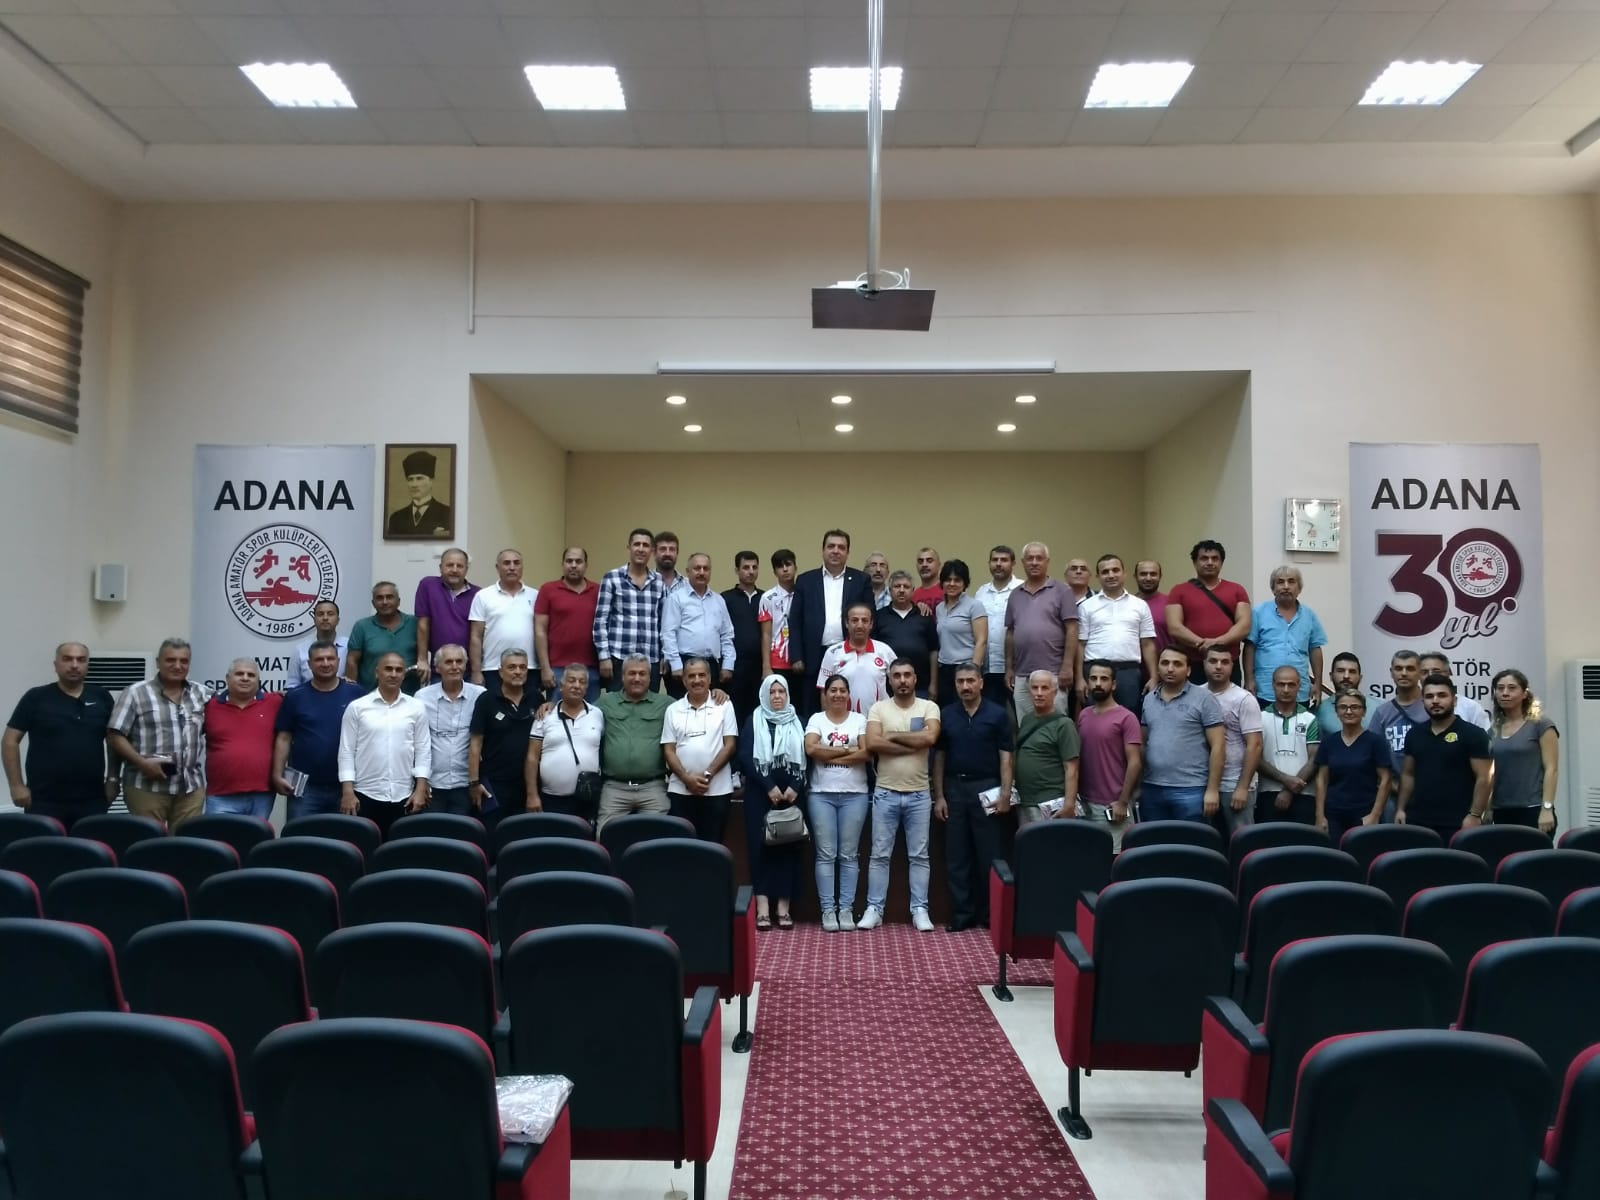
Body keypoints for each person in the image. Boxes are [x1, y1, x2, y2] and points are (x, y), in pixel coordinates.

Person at [862, 660, 942, 931]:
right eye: (896, 675)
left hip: (919, 794)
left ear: (915, 678)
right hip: (885, 792)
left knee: (919, 856)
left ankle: (920, 909)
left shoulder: (928, 707)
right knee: (879, 855)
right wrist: (912, 741)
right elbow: (873, 742)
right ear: (890, 680)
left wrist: (892, 736)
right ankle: (874, 909)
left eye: (907, 675)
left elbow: (930, 739)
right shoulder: (878, 708)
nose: (902, 680)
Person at [3, 642, 117, 829]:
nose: (74, 665)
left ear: (87, 665)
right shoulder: (36, 697)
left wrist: (113, 778)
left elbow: (114, 742)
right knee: (46, 847)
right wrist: (16, 785)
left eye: (81, 660)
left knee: (90, 846)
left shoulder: (102, 697)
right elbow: (10, 741)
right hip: (43, 799)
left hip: (93, 798)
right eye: (67, 659)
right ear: (55, 665)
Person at [934, 662, 1013, 931]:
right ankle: (962, 914)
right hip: (955, 789)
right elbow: (939, 757)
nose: (965, 686)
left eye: (970, 681)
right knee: (957, 856)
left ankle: (991, 915)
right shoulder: (947, 714)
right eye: (960, 682)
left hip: (987, 788)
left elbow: (1006, 756)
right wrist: (939, 795)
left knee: (989, 855)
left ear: (981, 683)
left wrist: (1005, 793)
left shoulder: (997, 714)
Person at [107, 638, 207, 830]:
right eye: (170, 660)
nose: (177, 666)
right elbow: (114, 735)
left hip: (190, 789)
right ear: (158, 662)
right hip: (146, 786)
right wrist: (141, 763)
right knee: (150, 843)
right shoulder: (135, 693)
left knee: (187, 843)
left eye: (184, 661)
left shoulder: (202, 694)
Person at [738, 674, 808, 930]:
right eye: (772, 692)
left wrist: (794, 787)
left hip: (792, 796)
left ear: (788, 695)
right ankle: (763, 908)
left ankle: (783, 908)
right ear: (764, 695)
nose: (777, 696)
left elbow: (808, 756)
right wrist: (768, 786)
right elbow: (745, 756)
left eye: (781, 692)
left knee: (788, 849)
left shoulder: (800, 721)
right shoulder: (753, 720)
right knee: (760, 850)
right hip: (760, 794)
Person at [337, 651, 430, 837]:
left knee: (400, 851)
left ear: (404, 675)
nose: (393, 674)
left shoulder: (416, 707)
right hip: (364, 794)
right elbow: (346, 751)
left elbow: (423, 750)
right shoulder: (357, 707)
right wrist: (347, 792)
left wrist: (421, 788)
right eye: (388, 669)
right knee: (365, 849)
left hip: (404, 795)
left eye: (399, 670)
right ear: (377, 672)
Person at [806, 674, 871, 932]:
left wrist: (829, 753)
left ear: (848, 694)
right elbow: (811, 749)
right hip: (821, 794)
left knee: (848, 854)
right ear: (825, 694)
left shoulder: (859, 719)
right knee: (825, 854)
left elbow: (866, 753)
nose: (838, 695)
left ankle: (845, 909)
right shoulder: (816, 719)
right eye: (833, 690)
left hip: (855, 794)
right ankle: (828, 910)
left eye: (843, 690)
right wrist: (847, 750)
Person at [273, 642, 365, 819]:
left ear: (338, 661)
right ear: (309, 664)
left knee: (346, 836)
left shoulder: (356, 694)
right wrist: (277, 774)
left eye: (330, 658)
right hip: (304, 788)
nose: (325, 663)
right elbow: (284, 738)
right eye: (319, 659)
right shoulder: (295, 696)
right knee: (299, 835)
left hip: (347, 787)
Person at [1396, 674, 1492, 844]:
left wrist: (1475, 815)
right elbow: (1408, 774)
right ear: (1422, 701)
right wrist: (1401, 809)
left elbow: (1485, 778)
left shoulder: (1474, 735)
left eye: (1442, 695)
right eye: (1429, 696)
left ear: (1454, 700)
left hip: (1459, 822)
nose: (1435, 701)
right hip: (1418, 821)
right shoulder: (1414, 735)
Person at [789, 530, 873, 719]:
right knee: (811, 707)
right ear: (823, 550)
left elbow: (869, 616)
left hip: (848, 653)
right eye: (831, 546)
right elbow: (795, 621)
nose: (836, 551)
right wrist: (796, 656)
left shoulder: (861, 580)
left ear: (848, 552)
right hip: (813, 654)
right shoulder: (806, 580)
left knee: (845, 701)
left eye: (841, 547)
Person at [1139, 646, 1224, 823]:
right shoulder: (1149, 699)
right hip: (1152, 787)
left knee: (1191, 840)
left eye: (1177, 664)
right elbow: (1143, 743)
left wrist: (1212, 790)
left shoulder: (1204, 698)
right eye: (1165, 663)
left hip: (1191, 789)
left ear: (1188, 670)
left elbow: (1218, 746)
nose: (1170, 668)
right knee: (1153, 840)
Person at [661, 658, 738, 844]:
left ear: (710, 679)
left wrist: (707, 775)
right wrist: (686, 778)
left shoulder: (724, 705)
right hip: (681, 789)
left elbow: (730, 745)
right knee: (682, 846)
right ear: (684, 680)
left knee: (712, 845)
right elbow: (669, 750)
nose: (697, 680)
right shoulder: (673, 709)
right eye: (691, 676)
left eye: (701, 675)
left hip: (717, 789)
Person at [595, 654, 672, 828]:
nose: (637, 678)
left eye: (642, 673)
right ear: (622, 677)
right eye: (632, 673)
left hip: (653, 787)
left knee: (659, 836)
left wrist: (715, 693)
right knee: (605, 835)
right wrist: (552, 706)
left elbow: (692, 705)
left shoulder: (666, 704)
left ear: (650, 677)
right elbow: (579, 710)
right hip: (614, 787)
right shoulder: (606, 702)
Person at [1004, 541, 1079, 718]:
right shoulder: (1015, 594)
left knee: (1055, 724)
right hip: (1022, 675)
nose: (1034, 562)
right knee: (1026, 725)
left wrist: (1067, 666)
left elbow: (1072, 629)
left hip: (1053, 673)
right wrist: (1009, 668)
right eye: (1030, 558)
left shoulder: (1062, 591)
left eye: (1039, 558)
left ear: (1047, 562)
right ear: (1023, 562)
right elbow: (1010, 632)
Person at [202, 658, 283, 818]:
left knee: (257, 835)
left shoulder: (275, 702)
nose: (245, 678)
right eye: (239, 674)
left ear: (258, 680)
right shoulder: (209, 706)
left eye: (251, 675)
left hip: (262, 795)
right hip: (220, 796)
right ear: (227, 678)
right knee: (217, 835)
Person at [1075, 554, 1156, 714]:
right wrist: (1079, 678)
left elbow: (1147, 644)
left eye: (1115, 570)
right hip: (1095, 671)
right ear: (1098, 576)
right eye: (1105, 572)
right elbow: (1080, 644)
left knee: (1129, 716)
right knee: (1094, 717)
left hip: (1128, 673)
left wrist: (1154, 677)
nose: (1111, 575)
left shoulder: (1140, 605)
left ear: (1124, 573)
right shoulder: (1086, 606)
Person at [1076, 660, 1141, 851]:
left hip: (1113, 806)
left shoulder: (1126, 718)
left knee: (1115, 860)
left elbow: (1135, 763)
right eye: (1093, 678)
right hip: (1084, 804)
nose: (1098, 683)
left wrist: (1123, 801)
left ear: (1113, 685)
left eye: (1104, 679)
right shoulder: (1084, 715)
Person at [1165, 539, 1251, 684]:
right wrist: (1201, 644)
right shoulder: (1178, 591)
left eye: (1215, 558)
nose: (1210, 562)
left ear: (1221, 562)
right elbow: (1174, 627)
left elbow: (1244, 625)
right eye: (1204, 558)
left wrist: (1217, 643)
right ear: (1195, 562)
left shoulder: (1237, 590)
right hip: (1192, 664)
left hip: (1227, 662)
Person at [1313, 689, 1391, 845]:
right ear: (1337, 712)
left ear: (1364, 711)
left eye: (1355, 707)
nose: (1349, 711)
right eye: (1343, 707)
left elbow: (1386, 779)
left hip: (1364, 814)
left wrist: (1375, 815)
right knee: (1335, 858)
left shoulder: (1375, 742)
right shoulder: (1329, 742)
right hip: (1333, 815)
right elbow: (1322, 780)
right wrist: (1320, 815)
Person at [468, 649, 537, 824]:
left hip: (527, 785)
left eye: (522, 667)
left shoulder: (536, 698)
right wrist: (474, 783)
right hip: (494, 784)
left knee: (523, 836)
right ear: (500, 671)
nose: (518, 671)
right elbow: (475, 744)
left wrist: (549, 705)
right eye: (512, 667)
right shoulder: (486, 700)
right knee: (492, 835)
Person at [1243, 566, 1328, 707]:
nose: (1286, 586)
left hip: (1299, 690)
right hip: (1265, 689)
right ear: (1273, 588)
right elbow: (1249, 647)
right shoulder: (1258, 613)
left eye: (1291, 581)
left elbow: (1315, 649)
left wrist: (1318, 684)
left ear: (1299, 588)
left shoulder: (1309, 615)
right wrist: (1249, 680)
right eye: (1280, 582)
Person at [593, 529, 666, 694]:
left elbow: (663, 623)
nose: (641, 549)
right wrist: (604, 657)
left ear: (652, 551)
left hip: (651, 659)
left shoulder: (659, 581)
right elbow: (600, 621)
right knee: (617, 706)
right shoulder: (612, 578)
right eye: (636, 544)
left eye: (645, 545)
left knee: (649, 706)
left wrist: (664, 655)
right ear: (629, 548)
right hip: (619, 657)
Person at [526, 664, 603, 820]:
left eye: (582, 682)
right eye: (571, 680)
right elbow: (532, 758)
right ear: (561, 686)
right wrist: (532, 795)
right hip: (552, 799)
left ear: (587, 688)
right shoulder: (545, 715)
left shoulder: (597, 714)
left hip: (587, 798)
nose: (576, 685)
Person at [1487, 668, 1558, 835]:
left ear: (1525, 694)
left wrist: (1547, 808)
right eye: (1500, 688)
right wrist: (1488, 808)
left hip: (1533, 809)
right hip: (1501, 810)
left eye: (1512, 688)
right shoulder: (1493, 730)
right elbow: (1491, 774)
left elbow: (1552, 769)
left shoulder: (1541, 724)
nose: (1505, 693)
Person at [415, 644, 484, 815]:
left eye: (459, 661)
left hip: (466, 784)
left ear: (465, 665)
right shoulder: (422, 697)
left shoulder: (480, 695)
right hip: (432, 784)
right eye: (448, 662)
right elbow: (417, 742)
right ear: (437, 667)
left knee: (463, 829)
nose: (455, 666)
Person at [1204, 645, 1262, 835]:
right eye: (1213, 661)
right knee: (1206, 842)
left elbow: (1255, 745)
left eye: (1225, 662)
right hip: (1201, 784)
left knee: (1242, 841)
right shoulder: (1196, 694)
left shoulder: (1244, 699)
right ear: (1204, 663)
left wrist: (1243, 787)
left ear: (1232, 666)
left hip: (1234, 783)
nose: (1218, 666)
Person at [662, 553, 735, 698]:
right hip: (683, 664)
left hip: (711, 666)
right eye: (697, 568)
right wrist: (676, 665)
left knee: (711, 707)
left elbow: (727, 635)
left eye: (706, 568)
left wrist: (728, 665)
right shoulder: (676, 598)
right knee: (681, 708)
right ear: (688, 571)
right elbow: (668, 634)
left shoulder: (718, 600)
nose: (702, 572)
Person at [1013, 671, 1080, 827]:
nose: (1039, 693)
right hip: (1026, 801)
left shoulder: (1064, 725)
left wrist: (1069, 804)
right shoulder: (1027, 720)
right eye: (1035, 688)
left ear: (1055, 692)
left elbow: (1072, 768)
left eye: (1044, 688)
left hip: (1052, 801)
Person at [534, 546, 600, 702]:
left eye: (578, 561)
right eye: (569, 561)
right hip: (557, 669)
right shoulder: (548, 590)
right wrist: (545, 668)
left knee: (591, 714)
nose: (574, 565)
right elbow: (540, 630)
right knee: (557, 714)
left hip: (591, 669)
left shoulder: (598, 590)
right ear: (563, 564)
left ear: (586, 565)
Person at [1256, 665, 1320, 825]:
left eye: (1291, 684)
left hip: (1304, 794)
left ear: (1299, 686)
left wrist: (1289, 791)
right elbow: (1255, 758)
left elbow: (1314, 760)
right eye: (1281, 684)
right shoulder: (1259, 718)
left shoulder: (1310, 719)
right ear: (1273, 685)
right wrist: (1285, 780)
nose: (1286, 690)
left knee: (1302, 841)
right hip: (1267, 793)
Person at [467, 549, 536, 696]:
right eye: (506, 563)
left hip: (529, 668)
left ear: (522, 567)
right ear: (497, 568)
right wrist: (476, 671)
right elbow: (475, 637)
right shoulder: (483, 596)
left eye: (516, 563)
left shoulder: (535, 595)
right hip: (493, 668)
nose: (512, 567)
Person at [1371, 649, 1426, 819]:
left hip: (1429, 793)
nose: (1404, 673)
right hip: (1392, 793)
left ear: (1420, 673)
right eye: (1398, 668)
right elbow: (1372, 755)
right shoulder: (1382, 713)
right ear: (1391, 672)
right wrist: (1394, 787)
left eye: (1410, 668)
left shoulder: (1432, 707)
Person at [413, 548, 478, 685]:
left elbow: (478, 634)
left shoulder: (478, 594)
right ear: (440, 567)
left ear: (466, 569)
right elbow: (423, 624)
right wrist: (422, 659)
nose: (454, 570)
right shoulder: (428, 586)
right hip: (439, 667)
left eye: (459, 566)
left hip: (468, 669)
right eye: (449, 565)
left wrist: (477, 671)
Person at [817, 603, 895, 716]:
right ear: (846, 623)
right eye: (854, 620)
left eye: (865, 620)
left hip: (879, 719)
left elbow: (899, 682)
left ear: (871, 624)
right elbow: (824, 690)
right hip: (845, 721)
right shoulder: (833, 652)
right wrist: (828, 721)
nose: (859, 625)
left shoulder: (884, 650)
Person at [974, 545, 1023, 713]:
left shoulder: (1022, 589)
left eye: (1004, 560)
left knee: (1021, 715)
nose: (999, 564)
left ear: (1013, 563)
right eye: (995, 560)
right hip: (988, 668)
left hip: (1017, 667)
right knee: (992, 715)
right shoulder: (981, 592)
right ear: (989, 563)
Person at [873, 571, 939, 697]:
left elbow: (934, 651)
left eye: (906, 587)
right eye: (897, 586)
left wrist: (934, 684)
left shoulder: (924, 615)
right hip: (886, 688)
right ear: (890, 590)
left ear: (913, 591)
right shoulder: (879, 617)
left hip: (921, 687)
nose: (902, 590)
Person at [346, 581, 419, 692]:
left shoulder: (414, 623)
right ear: (373, 603)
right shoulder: (362, 626)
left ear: (398, 601)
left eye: (389, 597)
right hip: (370, 695)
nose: (385, 602)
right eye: (379, 598)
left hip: (409, 695)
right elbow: (352, 661)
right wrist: (351, 691)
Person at [933, 560, 988, 705]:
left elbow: (981, 640)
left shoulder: (974, 606)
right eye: (948, 580)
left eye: (957, 580)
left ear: (965, 583)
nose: (952, 584)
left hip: (966, 668)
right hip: (944, 669)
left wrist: (974, 670)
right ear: (942, 582)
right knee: (947, 711)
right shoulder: (939, 608)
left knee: (967, 708)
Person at [723, 550, 764, 724]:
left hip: (759, 666)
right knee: (734, 712)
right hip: (735, 667)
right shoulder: (725, 599)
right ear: (737, 570)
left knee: (757, 712)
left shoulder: (765, 598)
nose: (751, 571)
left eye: (754, 567)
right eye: (746, 567)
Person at [758, 548, 802, 696]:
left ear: (795, 567)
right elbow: (765, 633)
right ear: (774, 572)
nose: (785, 569)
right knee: (778, 702)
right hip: (777, 661)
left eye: (788, 564)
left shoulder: (804, 594)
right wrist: (766, 667)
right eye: (779, 566)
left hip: (800, 660)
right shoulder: (768, 597)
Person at [386, 448, 452, 537]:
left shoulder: (447, 514)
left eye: (419, 478)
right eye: (410, 479)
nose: (414, 484)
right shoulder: (396, 518)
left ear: (431, 481)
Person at [1418, 652, 1492, 730]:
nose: (1430, 675)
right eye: (1424, 672)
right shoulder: (1412, 707)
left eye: (1436, 671)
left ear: (1449, 673)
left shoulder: (1470, 707)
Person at [286, 599, 349, 688]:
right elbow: (292, 684)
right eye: (320, 614)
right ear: (314, 619)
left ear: (338, 620)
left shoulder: (349, 646)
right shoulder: (300, 650)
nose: (325, 618)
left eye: (330, 614)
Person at [1315, 652, 1369, 738]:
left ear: (1360, 677)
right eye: (1340, 671)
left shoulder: (1378, 708)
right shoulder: (1318, 711)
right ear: (1331, 676)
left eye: (1352, 672)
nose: (1346, 676)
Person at [1134, 559, 1171, 664]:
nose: (1148, 578)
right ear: (1135, 576)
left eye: (1153, 574)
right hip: (1135, 667)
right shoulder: (1127, 605)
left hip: (1166, 667)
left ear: (1160, 576)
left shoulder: (1171, 604)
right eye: (1143, 574)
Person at [654, 531, 686, 602]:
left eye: (672, 549)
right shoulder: (646, 583)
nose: (667, 554)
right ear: (654, 553)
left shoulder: (688, 585)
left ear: (677, 553)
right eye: (663, 549)